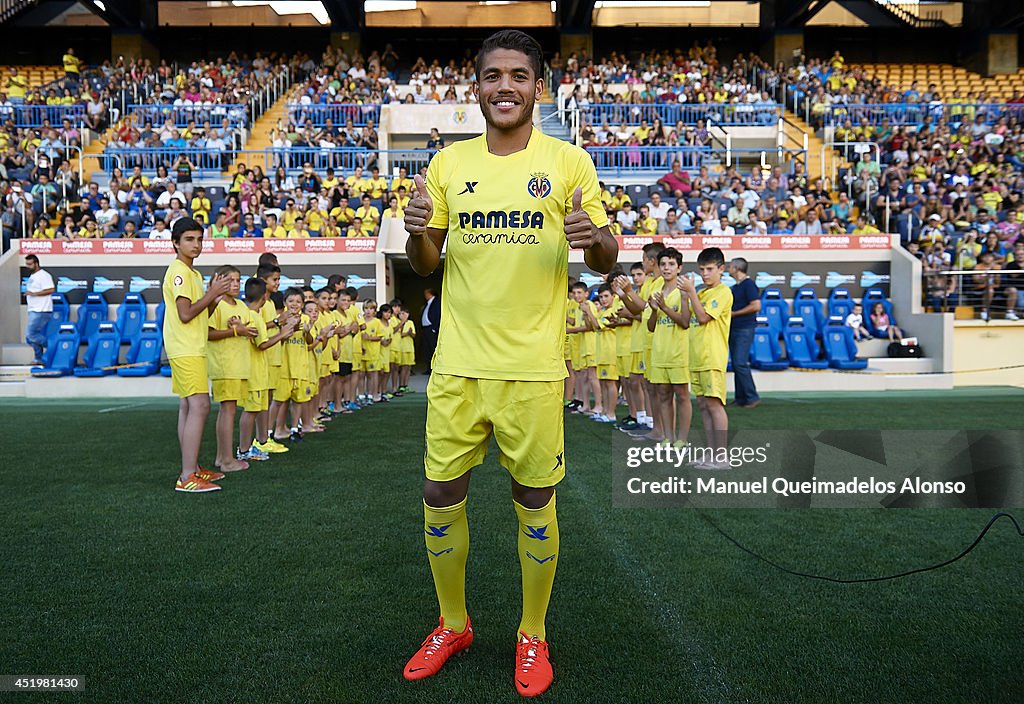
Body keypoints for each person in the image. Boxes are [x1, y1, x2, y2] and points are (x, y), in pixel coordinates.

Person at [401, 29, 616, 697]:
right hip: (459, 364)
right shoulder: (447, 166)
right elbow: (427, 263)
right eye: (492, 74)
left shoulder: (571, 163)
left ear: (537, 87)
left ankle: (531, 633)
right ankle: (454, 622)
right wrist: (416, 233)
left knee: (534, 497)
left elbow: (607, 256)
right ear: (478, 86)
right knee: (440, 492)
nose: (504, 86)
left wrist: (596, 240)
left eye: (518, 75)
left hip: (532, 368)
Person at [163, 217, 231, 493]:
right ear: (175, 243)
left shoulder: (193, 274)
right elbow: (186, 313)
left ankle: (192, 468)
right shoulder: (179, 271)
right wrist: (212, 293)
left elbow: (200, 314)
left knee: (188, 407)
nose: (196, 245)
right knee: (200, 406)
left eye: (200, 239)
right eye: (189, 239)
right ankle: (187, 475)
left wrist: (213, 299)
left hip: (192, 345)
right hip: (185, 346)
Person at [679, 247, 732, 470]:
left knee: (714, 405)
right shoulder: (701, 293)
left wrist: (690, 292)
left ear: (721, 269)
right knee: (703, 405)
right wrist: (685, 296)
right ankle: (711, 455)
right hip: (698, 357)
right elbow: (685, 319)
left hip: (712, 357)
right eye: (702, 270)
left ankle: (722, 457)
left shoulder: (723, 292)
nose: (705, 274)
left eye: (709, 269)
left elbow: (702, 318)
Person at [646, 248, 692, 446]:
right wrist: (656, 311)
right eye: (663, 264)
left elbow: (685, 322)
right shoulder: (656, 292)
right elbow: (650, 326)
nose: (666, 268)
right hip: (659, 352)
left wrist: (664, 308)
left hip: (678, 352)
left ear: (679, 268)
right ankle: (668, 436)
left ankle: (682, 439)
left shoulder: (684, 291)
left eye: (671, 264)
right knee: (663, 394)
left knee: (682, 395)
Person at [728, 258, 760, 409]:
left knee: (740, 362)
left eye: (730, 266)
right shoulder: (736, 287)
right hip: (735, 328)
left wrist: (735, 314)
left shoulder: (749, 285)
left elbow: (755, 306)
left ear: (737, 268)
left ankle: (751, 397)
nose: (728, 268)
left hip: (745, 328)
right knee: (736, 363)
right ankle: (741, 398)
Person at [23, 254, 54, 366]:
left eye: (30, 264)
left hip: (41, 310)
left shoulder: (44, 275)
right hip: (33, 310)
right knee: (30, 337)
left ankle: (54, 345)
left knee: (31, 335)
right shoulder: (32, 277)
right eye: (26, 264)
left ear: (36, 264)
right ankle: (39, 359)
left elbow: (51, 289)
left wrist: (34, 293)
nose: (28, 266)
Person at [419, 287, 440, 372]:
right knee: (427, 348)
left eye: (426, 293)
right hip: (426, 329)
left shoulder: (436, 302)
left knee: (432, 348)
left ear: (431, 293)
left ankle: (434, 368)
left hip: (432, 328)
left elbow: (438, 315)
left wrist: (435, 328)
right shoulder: (427, 303)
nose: (425, 295)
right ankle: (428, 368)